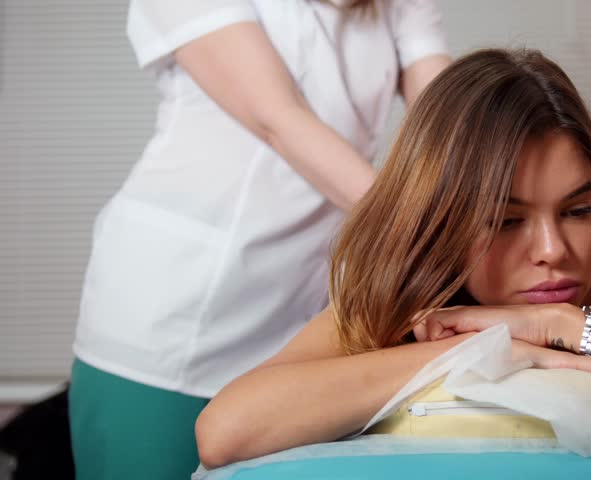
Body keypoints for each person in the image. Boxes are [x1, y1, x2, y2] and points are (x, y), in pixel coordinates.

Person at [194, 48, 591, 469]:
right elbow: (224, 431)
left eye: (579, 210)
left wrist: (566, 328)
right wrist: (484, 346)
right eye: (506, 221)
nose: (552, 252)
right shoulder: (392, 308)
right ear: (441, 217)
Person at [68, 0, 451, 478]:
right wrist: (441, 237)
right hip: (171, 317)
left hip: (296, 325)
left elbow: (452, 115)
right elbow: (279, 119)